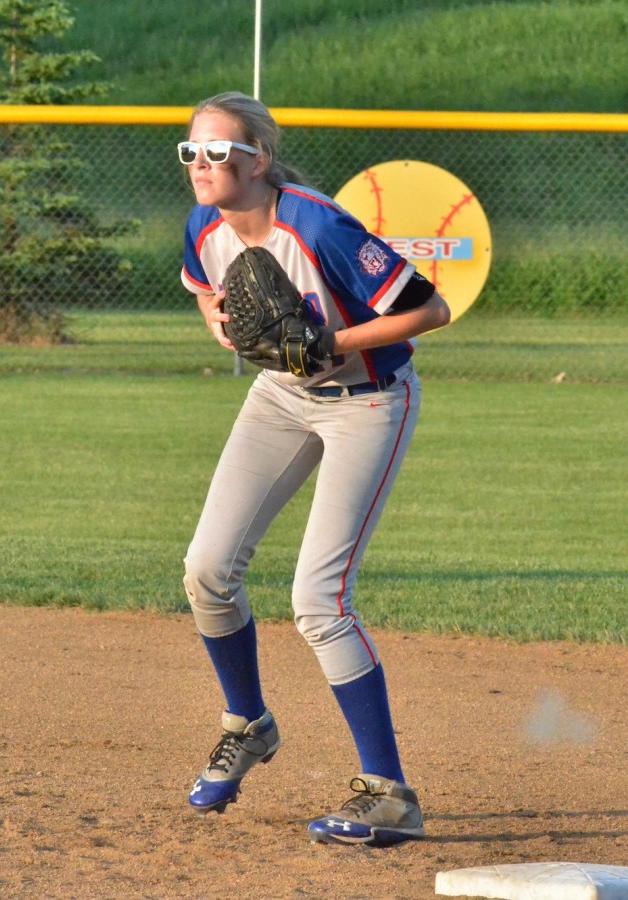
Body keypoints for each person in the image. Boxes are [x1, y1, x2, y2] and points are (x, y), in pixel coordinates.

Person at [179, 91, 451, 847]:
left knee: (319, 600)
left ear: (258, 160)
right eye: (190, 153)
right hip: (281, 398)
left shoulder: (320, 225)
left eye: (218, 153)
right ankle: (249, 723)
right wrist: (226, 325)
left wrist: (333, 341)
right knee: (205, 570)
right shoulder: (204, 224)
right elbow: (208, 295)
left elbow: (430, 312)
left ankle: (390, 794)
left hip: (367, 401)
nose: (201, 166)